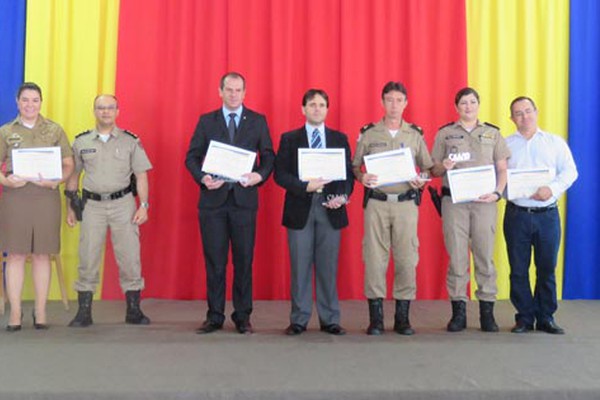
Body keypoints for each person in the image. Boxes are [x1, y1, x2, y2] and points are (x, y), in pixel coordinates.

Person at [185, 72, 275, 334]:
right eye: (229, 89)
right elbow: (191, 157)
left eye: (238, 90)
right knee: (214, 260)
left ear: (245, 93)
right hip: (213, 201)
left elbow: (269, 156)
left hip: (244, 201)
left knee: (244, 260)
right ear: (220, 91)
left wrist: (259, 175)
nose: (234, 94)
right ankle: (214, 315)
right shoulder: (206, 121)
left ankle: (242, 315)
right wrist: (202, 177)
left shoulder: (257, 121)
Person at [352, 81, 433, 335]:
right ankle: (376, 319)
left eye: (399, 100)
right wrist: (361, 177)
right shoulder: (369, 133)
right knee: (375, 259)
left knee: (407, 258)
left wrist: (422, 179)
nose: (394, 105)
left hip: (406, 204)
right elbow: (355, 166)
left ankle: (402, 318)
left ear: (406, 103)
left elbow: (428, 167)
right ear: (382, 102)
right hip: (376, 203)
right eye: (389, 100)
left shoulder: (415, 134)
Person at [65, 94, 152, 327]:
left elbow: (141, 175)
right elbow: (73, 176)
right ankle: (84, 311)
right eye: (101, 108)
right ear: (94, 111)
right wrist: (71, 208)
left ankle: (133, 310)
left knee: (130, 255)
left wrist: (144, 205)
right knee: (88, 254)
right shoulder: (81, 142)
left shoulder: (130, 141)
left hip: (123, 204)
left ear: (118, 111)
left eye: (110, 108)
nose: (105, 112)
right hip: (92, 205)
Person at [274, 89, 354, 336]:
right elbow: (280, 174)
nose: (317, 109)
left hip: (331, 208)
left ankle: (330, 318)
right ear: (303, 109)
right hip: (301, 207)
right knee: (299, 265)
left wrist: (342, 197)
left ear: (327, 109)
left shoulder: (339, 138)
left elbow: (348, 176)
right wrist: (303, 186)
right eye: (312, 104)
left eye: (321, 105)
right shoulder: (289, 139)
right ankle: (299, 319)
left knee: (328, 266)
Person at [431, 87, 510, 332]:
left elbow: (502, 169)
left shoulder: (492, 133)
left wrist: (497, 193)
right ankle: (459, 313)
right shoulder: (445, 134)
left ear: (478, 104)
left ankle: (487, 311)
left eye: (472, 102)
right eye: (463, 103)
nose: (468, 106)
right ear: (457, 107)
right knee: (457, 258)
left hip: (484, 203)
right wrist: (442, 166)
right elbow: (432, 169)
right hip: (454, 203)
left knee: (485, 256)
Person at [0, 82, 74, 331]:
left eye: (35, 100)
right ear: (17, 102)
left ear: (41, 102)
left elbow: (68, 164)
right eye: (25, 100)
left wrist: (57, 181)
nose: (30, 105)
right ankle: (16, 314)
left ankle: (41, 312)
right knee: (16, 254)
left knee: (43, 253)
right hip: (15, 197)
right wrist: (5, 180)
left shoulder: (54, 129)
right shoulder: (6, 131)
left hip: (46, 197)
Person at [503, 97, 578, 334]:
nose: (524, 117)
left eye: (528, 111)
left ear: (536, 112)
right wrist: (506, 191)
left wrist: (552, 189)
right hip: (517, 214)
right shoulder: (506, 145)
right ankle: (524, 317)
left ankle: (546, 316)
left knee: (546, 267)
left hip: (547, 215)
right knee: (518, 268)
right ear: (512, 118)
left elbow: (570, 172)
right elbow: (499, 177)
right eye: (518, 113)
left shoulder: (554, 143)